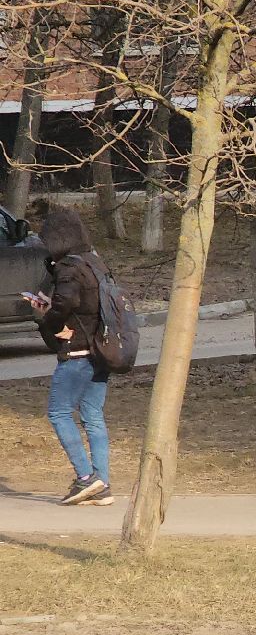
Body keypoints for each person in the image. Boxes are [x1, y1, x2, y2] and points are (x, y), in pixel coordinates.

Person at [29, 206, 114, 506]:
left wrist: (48, 318)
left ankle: (86, 478)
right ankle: (101, 485)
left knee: (58, 412)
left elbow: (66, 302)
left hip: (77, 351)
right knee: (92, 416)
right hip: (101, 351)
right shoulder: (95, 262)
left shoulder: (68, 267)